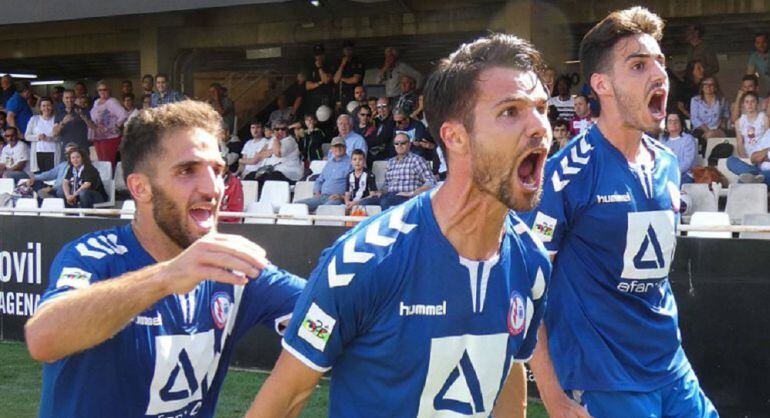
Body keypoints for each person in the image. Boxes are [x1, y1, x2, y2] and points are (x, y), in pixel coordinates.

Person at [247, 32, 551, 418]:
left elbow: (509, 374)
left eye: (540, 107)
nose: (539, 126)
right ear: (454, 137)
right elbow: (281, 402)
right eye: (511, 111)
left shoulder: (532, 263)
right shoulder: (365, 260)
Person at [24, 101, 305, 418]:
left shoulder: (234, 268)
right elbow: (42, 338)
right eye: (187, 171)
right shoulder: (93, 256)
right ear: (140, 187)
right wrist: (165, 277)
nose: (212, 188)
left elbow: (331, 317)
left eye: (217, 171)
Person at [524, 7, 719, 418]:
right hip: (604, 381)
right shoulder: (564, 175)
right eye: (638, 65)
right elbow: (526, 287)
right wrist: (553, 395)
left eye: (660, 63)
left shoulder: (667, 163)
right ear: (602, 85)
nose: (659, 74)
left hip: (671, 370)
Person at [359, 132, 436, 210]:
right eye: (396, 143)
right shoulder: (391, 162)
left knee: (386, 202)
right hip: (389, 195)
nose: (399, 145)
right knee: (364, 203)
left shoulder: (417, 160)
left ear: (409, 144)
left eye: (403, 143)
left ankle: (389, 222)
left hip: (407, 197)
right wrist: (381, 191)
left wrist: (412, 193)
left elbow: (431, 181)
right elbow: (387, 184)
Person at [295, 137, 351, 212]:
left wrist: (342, 196)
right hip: (321, 197)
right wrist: (316, 192)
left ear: (345, 147)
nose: (338, 148)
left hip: (336, 198)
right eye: (335, 146)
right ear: (331, 148)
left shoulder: (351, 164)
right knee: (296, 206)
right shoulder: (329, 163)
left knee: (323, 210)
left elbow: (354, 185)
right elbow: (319, 180)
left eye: (341, 146)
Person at [728, 91, 770, 185]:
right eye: (747, 102)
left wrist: (762, 156)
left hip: (761, 159)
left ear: (757, 103)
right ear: (743, 104)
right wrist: (745, 158)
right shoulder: (739, 121)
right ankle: (753, 174)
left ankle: (751, 175)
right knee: (730, 160)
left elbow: (768, 139)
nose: (750, 104)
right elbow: (740, 142)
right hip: (748, 157)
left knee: (742, 181)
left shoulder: (764, 118)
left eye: (752, 101)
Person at [255, 120, 304, 188]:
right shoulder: (272, 140)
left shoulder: (290, 141)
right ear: (274, 130)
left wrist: (275, 139)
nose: (280, 131)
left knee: (271, 178)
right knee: (252, 177)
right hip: (273, 170)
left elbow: (278, 153)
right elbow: (260, 155)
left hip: (289, 173)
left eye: (283, 129)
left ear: (287, 130)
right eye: (277, 129)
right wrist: (273, 150)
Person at [90, 81, 128, 167]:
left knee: (108, 163)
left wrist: (116, 126)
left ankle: (111, 179)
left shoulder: (112, 102)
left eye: (105, 89)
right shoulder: (96, 102)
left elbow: (124, 114)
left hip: (110, 138)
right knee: (101, 162)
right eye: (100, 90)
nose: (102, 92)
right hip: (98, 137)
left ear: (109, 90)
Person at [53, 89, 93, 158]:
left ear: (75, 98)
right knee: (66, 168)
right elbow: (54, 133)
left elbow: (93, 127)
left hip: (82, 148)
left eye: (71, 97)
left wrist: (84, 117)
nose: (69, 100)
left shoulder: (83, 110)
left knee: (84, 168)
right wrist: (63, 122)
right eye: (67, 98)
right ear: (63, 99)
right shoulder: (59, 113)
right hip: (67, 149)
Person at [660, 113, 698, 184]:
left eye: (676, 121)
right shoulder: (662, 140)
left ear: (681, 123)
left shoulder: (688, 139)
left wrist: (672, 172)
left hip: (685, 174)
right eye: (670, 121)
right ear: (666, 125)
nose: (673, 123)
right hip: (666, 174)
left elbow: (687, 163)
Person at [25, 97, 60, 172]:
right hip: (38, 152)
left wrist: (49, 139)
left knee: (52, 176)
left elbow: (61, 137)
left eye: (48, 105)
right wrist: (38, 137)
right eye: (43, 106)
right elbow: (27, 136)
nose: (46, 108)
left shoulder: (57, 119)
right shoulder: (34, 119)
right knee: (40, 176)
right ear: (40, 107)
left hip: (53, 152)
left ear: (52, 106)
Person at [334, 40, 365, 111]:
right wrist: (342, 65)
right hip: (342, 97)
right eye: (346, 49)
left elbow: (355, 79)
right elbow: (335, 80)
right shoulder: (340, 62)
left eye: (350, 49)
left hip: (354, 95)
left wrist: (342, 79)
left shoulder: (358, 62)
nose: (348, 51)